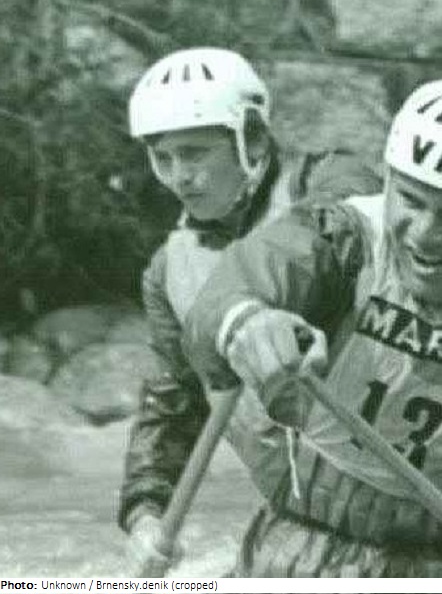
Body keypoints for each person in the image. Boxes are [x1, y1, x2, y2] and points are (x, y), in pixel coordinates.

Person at [118, 47, 381, 576]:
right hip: (294, 527)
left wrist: (248, 307)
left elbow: (313, 244)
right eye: (163, 158)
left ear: (254, 138)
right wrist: (145, 511)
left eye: (194, 154)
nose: (179, 177)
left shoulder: (335, 184)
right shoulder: (168, 270)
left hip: (400, 514)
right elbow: (173, 405)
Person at [184, 80, 442, 577]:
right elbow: (249, 278)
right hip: (302, 543)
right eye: (411, 201)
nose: (427, 236)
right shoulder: (344, 236)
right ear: (388, 181)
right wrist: (248, 321)